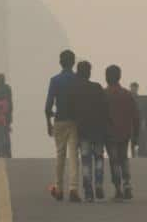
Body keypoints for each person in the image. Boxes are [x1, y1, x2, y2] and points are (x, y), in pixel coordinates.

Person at [45, 50, 80, 202]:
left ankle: (59, 189)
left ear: (61, 62)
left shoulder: (55, 80)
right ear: (73, 63)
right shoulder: (78, 79)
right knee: (73, 155)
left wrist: (48, 122)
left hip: (59, 120)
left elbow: (48, 105)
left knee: (60, 154)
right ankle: (73, 188)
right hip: (74, 121)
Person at [72, 61, 108, 202]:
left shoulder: (75, 90)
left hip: (83, 130)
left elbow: (72, 111)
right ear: (89, 72)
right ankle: (98, 183)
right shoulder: (97, 87)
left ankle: (88, 191)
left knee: (86, 160)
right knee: (99, 158)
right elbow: (105, 108)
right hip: (98, 129)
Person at [104, 65, 139, 201]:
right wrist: (136, 134)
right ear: (119, 76)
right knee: (123, 158)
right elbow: (136, 116)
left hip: (110, 133)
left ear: (107, 77)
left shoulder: (104, 94)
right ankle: (127, 184)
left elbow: (100, 115)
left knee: (114, 161)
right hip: (125, 133)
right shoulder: (127, 94)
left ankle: (118, 189)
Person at [130, 82, 147, 157]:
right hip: (129, 121)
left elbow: (142, 111)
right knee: (131, 139)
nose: (134, 89)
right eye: (132, 87)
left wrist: (143, 121)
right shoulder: (127, 97)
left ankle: (140, 155)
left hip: (138, 121)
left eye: (135, 88)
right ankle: (132, 154)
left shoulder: (140, 99)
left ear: (137, 88)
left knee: (139, 138)